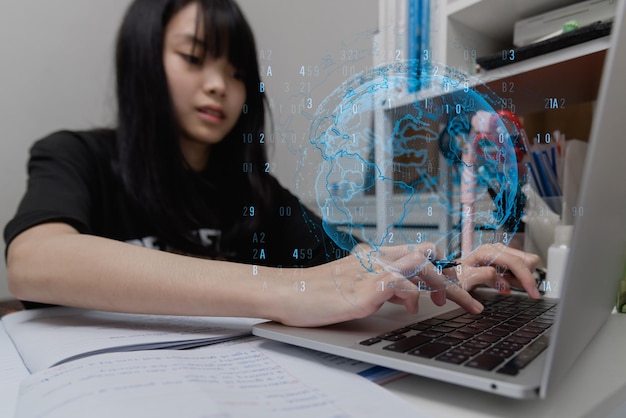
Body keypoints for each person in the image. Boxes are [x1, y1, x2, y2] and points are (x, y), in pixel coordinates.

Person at [3, 0, 541, 327]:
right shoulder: (77, 155)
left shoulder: (257, 193)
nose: (218, 84)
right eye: (193, 58)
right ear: (142, 58)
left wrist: (443, 275)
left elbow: (357, 267)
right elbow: (33, 261)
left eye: (236, 71)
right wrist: (287, 291)